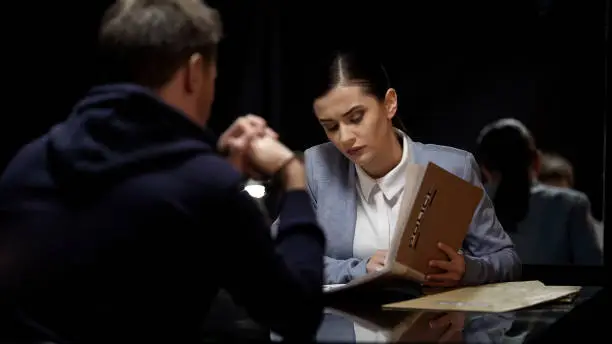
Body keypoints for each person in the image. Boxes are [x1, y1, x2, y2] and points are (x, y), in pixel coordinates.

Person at [0, 0, 325, 342]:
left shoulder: (25, 165)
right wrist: (293, 176)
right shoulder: (205, 190)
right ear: (193, 72)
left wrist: (215, 164)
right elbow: (297, 314)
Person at [274, 51, 521, 287]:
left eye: (356, 117)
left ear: (390, 104)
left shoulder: (454, 167)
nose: (345, 137)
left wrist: (466, 269)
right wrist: (358, 270)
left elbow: (507, 260)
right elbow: (282, 254)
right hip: (346, 326)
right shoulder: (319, 166)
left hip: (436, 325)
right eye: (331, 126)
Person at [475, 118, 603, 265]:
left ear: (484, 168)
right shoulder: (571, 205)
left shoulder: (465, 207)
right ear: (536, 160)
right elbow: (592, 275)